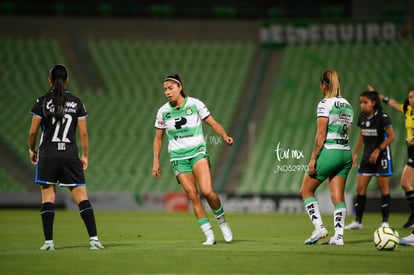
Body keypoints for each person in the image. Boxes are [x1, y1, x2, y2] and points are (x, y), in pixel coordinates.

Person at [28, 64, 104, 250]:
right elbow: (84, 134)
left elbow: (33, 132)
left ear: (49, 80)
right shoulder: (77, 102)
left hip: (48, 155)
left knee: (47, 198)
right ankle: (94, 240)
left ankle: (49, 243)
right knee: (82, 198)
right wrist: (85, 155)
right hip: (69, 155)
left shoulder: (42, 102)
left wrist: (32, 150)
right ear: (67, 79)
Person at [152, 74, 233, 245]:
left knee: (207, 191)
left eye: (170, 88)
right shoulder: (163, 112)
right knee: (193, 196)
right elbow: (158, 139)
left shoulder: (195, 104)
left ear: (180, 87)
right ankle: (209, 235)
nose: (167, 92)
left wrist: (224, 135)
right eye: (165, 89)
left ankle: (222, 221)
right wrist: (156, 161)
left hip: (197, 153)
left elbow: (212, 122)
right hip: (178, 158)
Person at [300, 70, 353, 246]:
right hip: (345, 152)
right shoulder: (348, 104)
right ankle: (338, 237)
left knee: (306, 191)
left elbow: (321, 134)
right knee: (338, 197)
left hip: (330, 151)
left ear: (324, 85)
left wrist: (313, 158)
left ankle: (319, 227)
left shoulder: (324, 104)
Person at [369, 85, 414, 245]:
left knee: (405, 182)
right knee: (405, 183)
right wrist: (378, 95)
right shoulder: (408, 110)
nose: (411, 99)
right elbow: (394, 103)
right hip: (412, 151)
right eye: (410, 97)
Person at [345, 91, 395, 230]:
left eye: (365, 102)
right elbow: (362, 137)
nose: (362, 105)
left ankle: (385, 222)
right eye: (361, 102)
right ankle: (358, 221)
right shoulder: (361, 117)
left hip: (382, 156)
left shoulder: (383, 117)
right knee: (360, 188)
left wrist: (378, 150)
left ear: (373, 103)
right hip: (367, 157)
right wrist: (355, 154)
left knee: (383, 189)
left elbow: (391, 136)